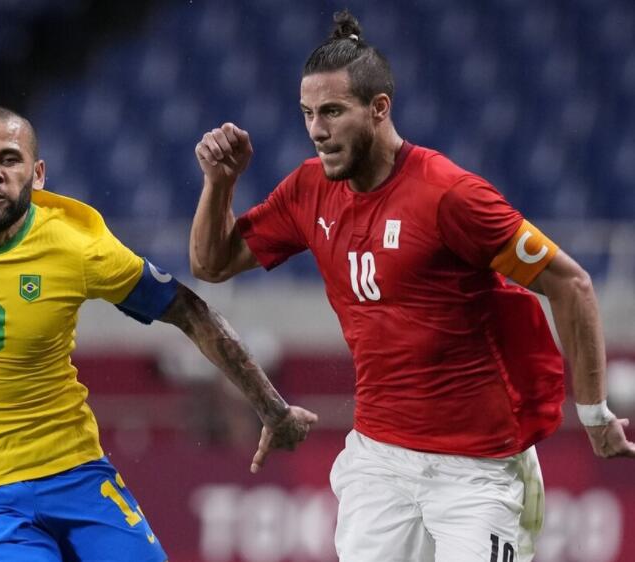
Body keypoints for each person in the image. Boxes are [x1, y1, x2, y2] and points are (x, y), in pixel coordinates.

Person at [190, 9, 635, 562]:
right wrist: (220, 183)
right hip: (379, 462)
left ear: (379, 108)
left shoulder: (449, 196)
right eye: (307, 113)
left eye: (333, 111)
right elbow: (211, 264)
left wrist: (594, 414)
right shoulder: (309, 190)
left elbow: (571, 283)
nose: (317, 130)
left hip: (479, 470)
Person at [0, 105, 318, 562]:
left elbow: (190, 312)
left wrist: (271, 408)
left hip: (76, 473)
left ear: (38, 174)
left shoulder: (76, 242)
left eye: (9, 159)